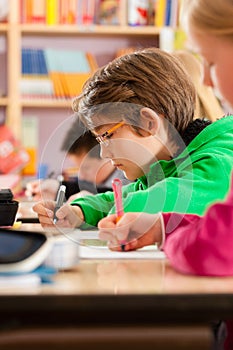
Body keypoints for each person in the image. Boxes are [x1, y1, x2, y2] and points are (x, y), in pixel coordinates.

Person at [33, 47, 233, 236]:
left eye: (107, 136)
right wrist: (80, 212)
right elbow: (122, 197)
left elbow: (142, 205)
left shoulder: (218, 161)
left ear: (148, 123)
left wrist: (110, 214)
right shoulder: (165, 166)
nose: (103, 153)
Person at [96, 0, 233, 275]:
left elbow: (216, 245)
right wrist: (159, 227)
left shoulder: (218, 153)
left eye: (211, 61)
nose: (205, 80)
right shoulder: (167, 163)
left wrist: (168, 235)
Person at [26, 118, 128, 202]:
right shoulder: (98, 181)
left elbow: (114, 196)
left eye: (86, 168)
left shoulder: (129, 178)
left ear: (107, 155)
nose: (81, 175)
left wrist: (60, 188)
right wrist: (58, 187)